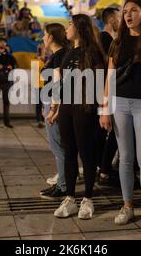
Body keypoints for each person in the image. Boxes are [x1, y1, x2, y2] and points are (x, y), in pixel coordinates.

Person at [99, 0, 141, 230]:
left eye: (133, 10)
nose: (128, 15)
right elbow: (109, 77)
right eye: (125, 11)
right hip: (119, 103)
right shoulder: (117, 42)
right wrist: (105, 109)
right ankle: (127, 206)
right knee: (125, 158)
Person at [53, 14, 105, 220]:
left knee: (87, 154)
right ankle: (70, 198)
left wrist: (103, 110)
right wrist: (57, 108)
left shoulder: (92, 51)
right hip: (67, 107)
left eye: (70, 24)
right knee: (68, 153)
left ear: (80, 28)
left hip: (85, 108)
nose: (67, 28)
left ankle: (88, 199)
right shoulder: (69, 51)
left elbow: (100, 82)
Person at [39, 23, 71, 200]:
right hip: (51, 102)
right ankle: (62, 183)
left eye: (44, 35)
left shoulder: (60, 56)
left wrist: (53, 108)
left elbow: (58, 85)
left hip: (55, 104)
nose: (43, 38)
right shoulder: (56, 55)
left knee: (58, 146)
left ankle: (63, 186)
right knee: (57, 146)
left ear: (51, 37)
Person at [97, 7, 120, 187]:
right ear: (111, 19)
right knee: (112, 131)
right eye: (119, 17)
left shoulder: (109, 38)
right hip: (107, 90)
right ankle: (104, 170)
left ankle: (104, 168)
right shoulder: (105, 38)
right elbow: (108, 65)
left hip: (108, 89)